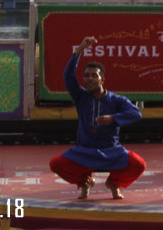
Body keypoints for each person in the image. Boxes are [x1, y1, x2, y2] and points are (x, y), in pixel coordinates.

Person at [49, 36, 146, 199]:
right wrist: (79, 51)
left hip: (111, 150)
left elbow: (136, 113)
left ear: (102, 79)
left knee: (138, 164)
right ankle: (84, 181)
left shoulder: (116, 100)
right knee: (56, 164)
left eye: (94, 75)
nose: (90, 79)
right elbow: (68, 76)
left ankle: (114, 183)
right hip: (85, 150)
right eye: (86, 76)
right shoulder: (81, 97)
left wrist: (112, 118)